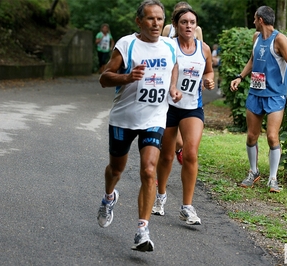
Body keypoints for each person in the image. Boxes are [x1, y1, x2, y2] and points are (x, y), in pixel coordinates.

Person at [97, 0, 181, 252]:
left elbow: (173, 66)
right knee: (116, 169)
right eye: (150, 19)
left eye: (159, 19)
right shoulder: (126, 44)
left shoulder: (169, 46)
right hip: (124, 118)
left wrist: (173, 88)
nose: (156, 24)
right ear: (139, 21)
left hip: (154, 118)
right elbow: (103, 77)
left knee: (148, 170)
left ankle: (142, 230)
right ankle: (109, 197)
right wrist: (126, 76)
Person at [229, 6, 287, 193]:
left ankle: (273, 178)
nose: (253, 21)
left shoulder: (280, 39)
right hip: (255, 93)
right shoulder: (256, 37)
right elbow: (252, 61)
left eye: (255, 18)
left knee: (271, 136)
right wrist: (240, 76)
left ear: (260, 19)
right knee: (252, 135)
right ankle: (253, 172)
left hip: (275, 95)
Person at [152, 7, 215, 224]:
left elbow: (208, 71)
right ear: (176, 26)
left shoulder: (204, 48)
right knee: (167, 155)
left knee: (190, 154)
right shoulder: (168, 46)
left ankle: (187, 207)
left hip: (192, 108)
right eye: (184, 22)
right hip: (168, 107)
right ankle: (160, 196)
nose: (188, 26)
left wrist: (208, 80)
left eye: (192, 22)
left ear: (196, 26)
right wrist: (169, 87)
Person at [162, 1, 203, 165]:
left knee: (186, 126)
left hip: (190, 86)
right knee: (169, 138)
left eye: (191, 20)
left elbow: (201, 56)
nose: (187, 24)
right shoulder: (167, 30)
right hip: (171, 83)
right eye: (182, 17)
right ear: (175, 20)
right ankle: (176, 150)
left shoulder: (197, 30)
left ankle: (178, 150)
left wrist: (204, 80)